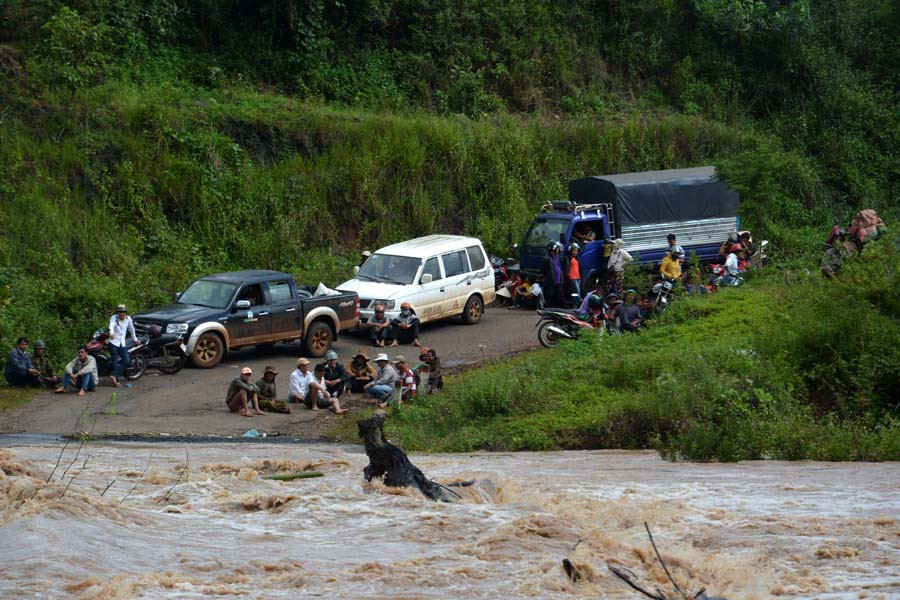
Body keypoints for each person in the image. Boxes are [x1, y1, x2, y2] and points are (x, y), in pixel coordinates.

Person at [108, 304, 140, 387]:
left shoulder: (128, 319)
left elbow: (131, 329)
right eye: (119, 312)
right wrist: (111, 333)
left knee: (126, 360)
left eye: (123, 312)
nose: (121, 314)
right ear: (117, 313)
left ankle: (113, 375)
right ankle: (116, 382)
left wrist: (135, 339)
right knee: (115, 361)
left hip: (122, 343)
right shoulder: (114, 318)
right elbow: (111, 326)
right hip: (113, 342)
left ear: (125, 313)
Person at [541, 242, 565, 308]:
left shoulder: (557, 257)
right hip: (551, 280)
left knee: (560, 294)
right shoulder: (547, 258)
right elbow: (543, 270)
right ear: (553, 249)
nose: (558, 250)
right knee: (549, 294)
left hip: (558, 279)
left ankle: (563, 305)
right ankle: (549, 306)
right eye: (557, 248)